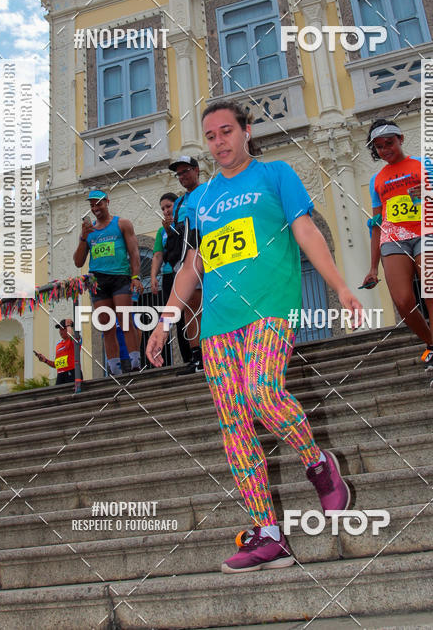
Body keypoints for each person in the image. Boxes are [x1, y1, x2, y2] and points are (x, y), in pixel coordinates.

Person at [146, 100, 363, 573]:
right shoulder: (199, 200)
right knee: (234, 424)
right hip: (219, 324)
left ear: (246, 131)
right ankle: (267, 533)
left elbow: (305, 230)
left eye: (227, 131)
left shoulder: (276, 174)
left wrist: (340, 286)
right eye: (211, 135)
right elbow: (192, 266)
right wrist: (166, 321)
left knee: (263, 393)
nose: (219, 141)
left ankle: (318, 463)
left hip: (270, 306)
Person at [361, 119, 433, 388]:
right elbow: (377, 224)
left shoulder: (424, 164)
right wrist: (372, 267)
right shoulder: (377, 180)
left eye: (389, 143)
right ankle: (430, 341)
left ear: (400, 138)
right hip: (393, 238)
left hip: (427, 232)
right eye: (379, 147)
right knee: (402, 301)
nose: (385, 149)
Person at [73, 189, 143, 376]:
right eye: (92, 205)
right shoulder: (89, 232)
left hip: (120, 277)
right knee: (106, 325)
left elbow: (134, 253)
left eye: (99, 203)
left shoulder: (122, 224)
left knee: (125, 320)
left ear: (107, 202)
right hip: (98, 280)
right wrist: (82, 238)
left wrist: (135, 277)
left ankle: (135, 362)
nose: (95, 207)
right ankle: (114, 368)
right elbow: (78, 261)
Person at [167, 157, 204, 374]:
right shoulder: (179, 203)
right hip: (188, 258)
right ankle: (197, 356)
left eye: (186, 171)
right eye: (179, 174)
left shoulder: (209, 191)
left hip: (211, 254)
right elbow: (179, 234)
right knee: (190, 306)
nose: (182, 177)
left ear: (197, 170)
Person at [150, 192, 190, 365]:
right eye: (163, 208)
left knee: (192, 312)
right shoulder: (161, 231)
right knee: (177, 316)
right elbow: (158, 254)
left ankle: (200, 353)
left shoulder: (186, 222)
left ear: (177, 205)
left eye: (169, 206)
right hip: (169, 275)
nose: (166, 211)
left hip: (187, 272)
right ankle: (187, 358)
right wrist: (153, 276)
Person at [35, 319, 81, 385]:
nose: (60, 331)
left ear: (68, 328)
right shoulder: (58, 345)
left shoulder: (74, 340)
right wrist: (45, 360)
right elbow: (57, 365)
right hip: (60, 375)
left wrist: (68, 325)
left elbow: (73, 337)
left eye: (62, 329)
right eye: (59, 329)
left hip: (72, 372)